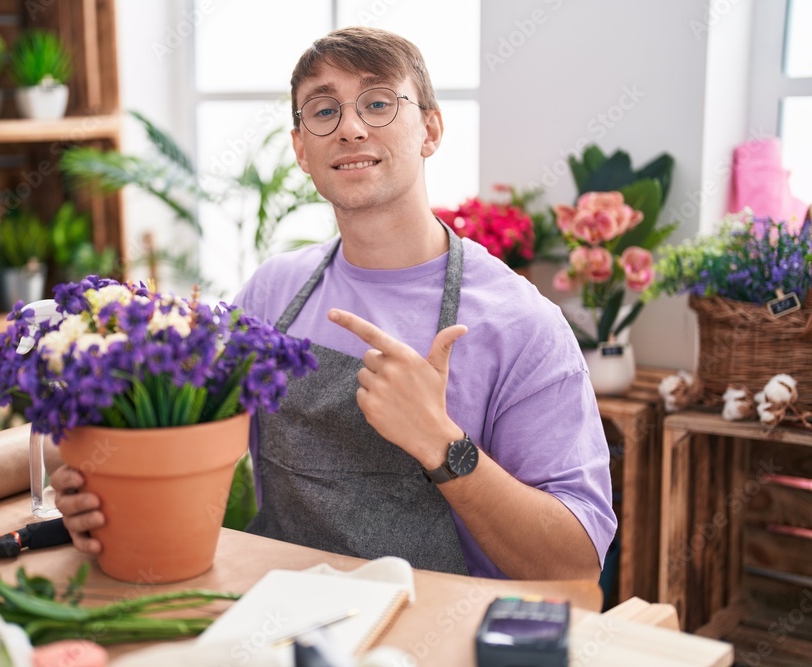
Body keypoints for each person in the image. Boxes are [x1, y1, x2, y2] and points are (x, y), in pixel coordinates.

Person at [52, 26, 616, 580]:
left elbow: (574, 563)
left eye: (377, 103)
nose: (349, 128)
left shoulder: (521, 323)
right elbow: (173, 435)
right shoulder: (274, 292)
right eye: (323, 112)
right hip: (277, 612)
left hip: (438, 632)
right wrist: (104, 496)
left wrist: (442, 446)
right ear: (301, 148)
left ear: (430, 129)